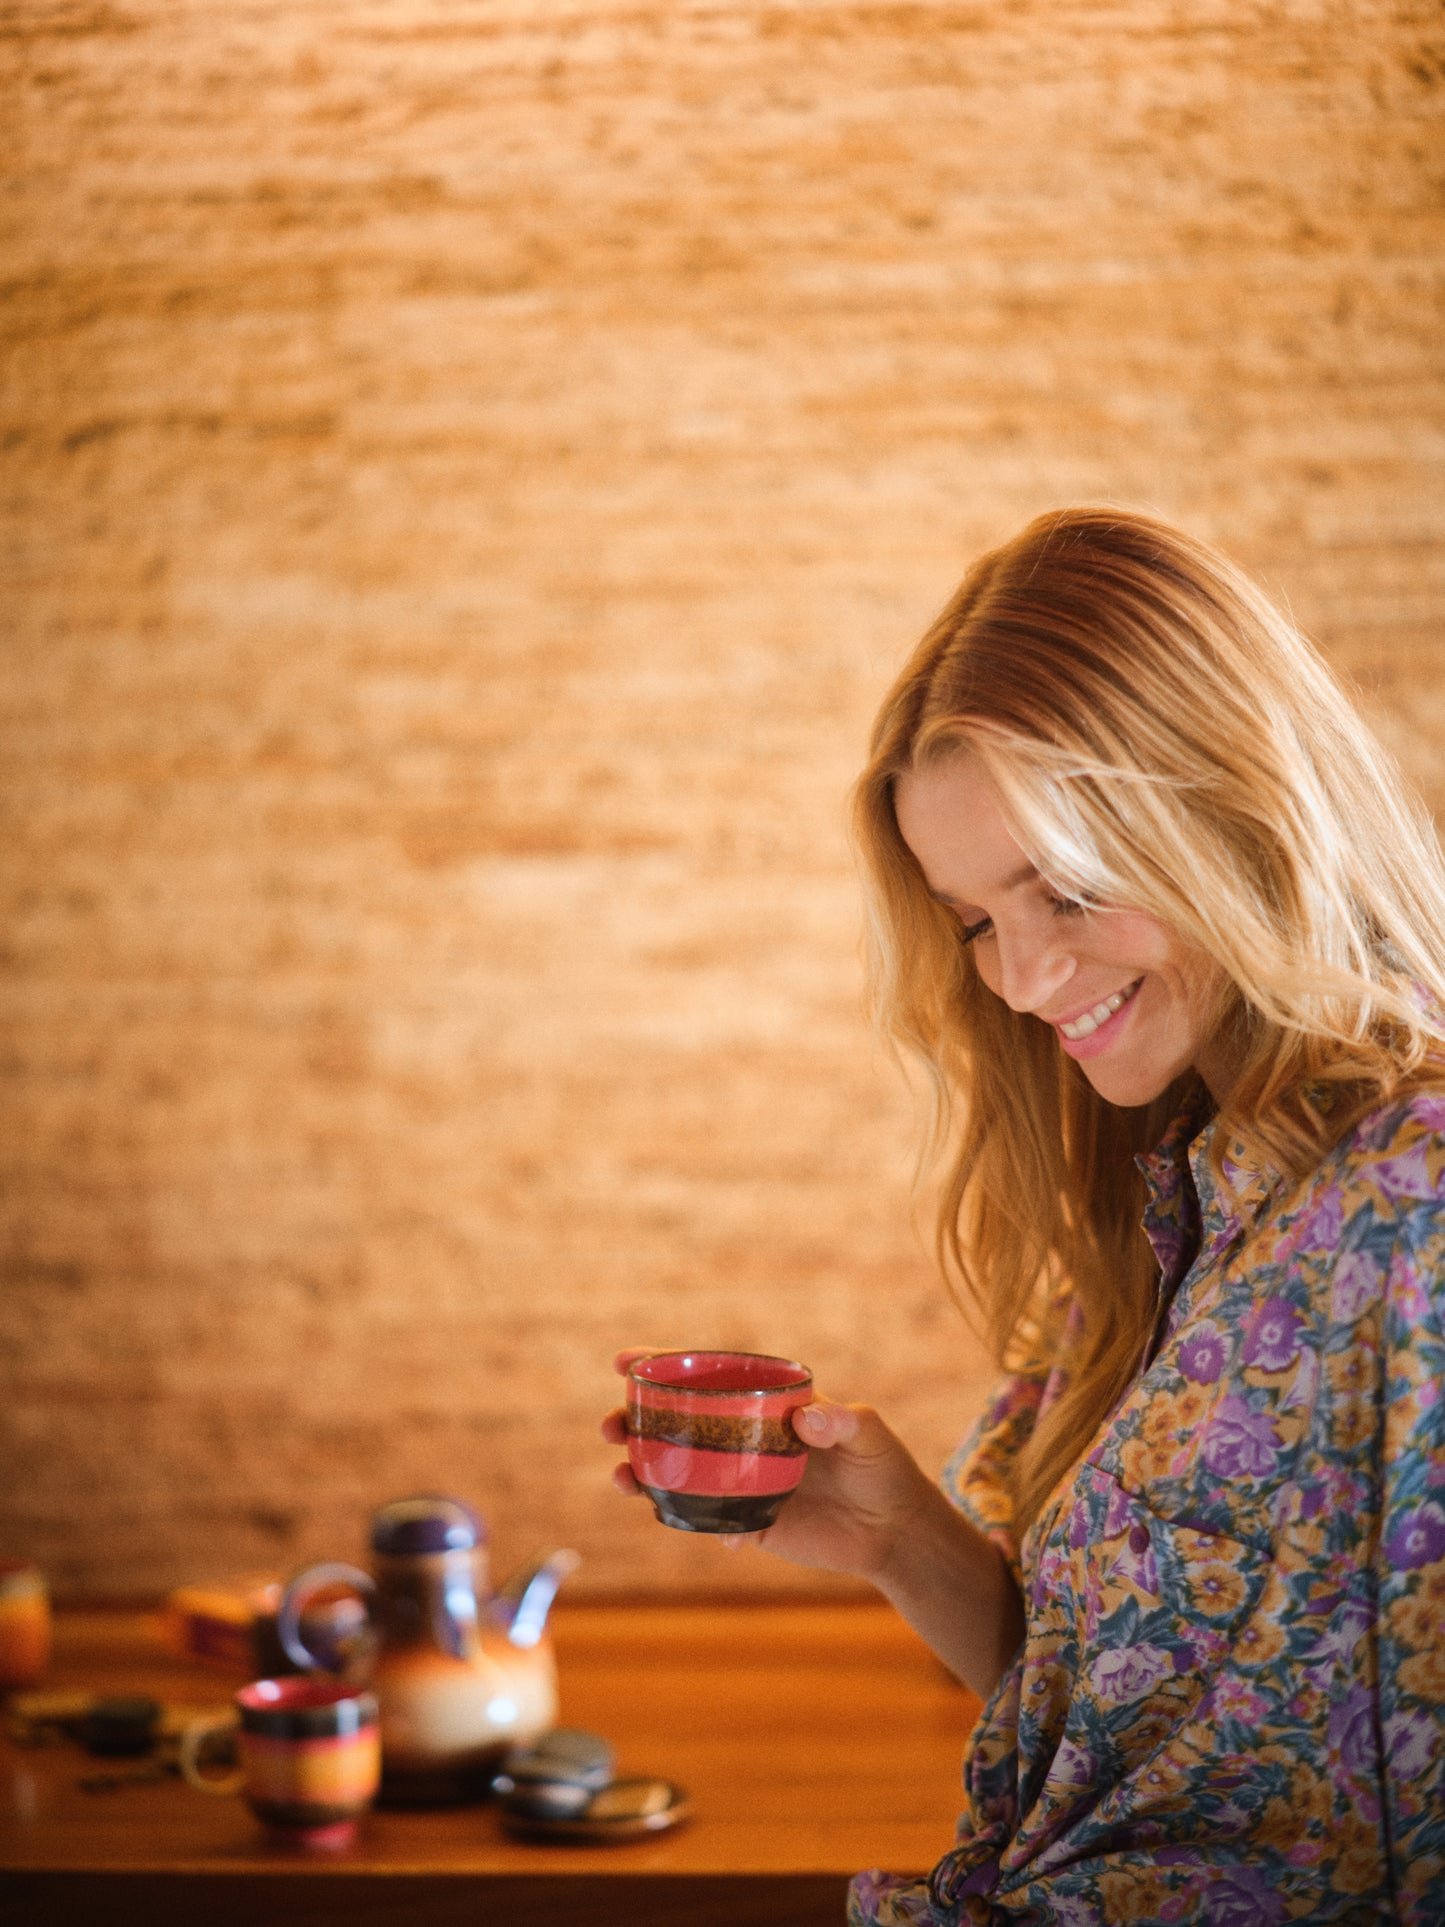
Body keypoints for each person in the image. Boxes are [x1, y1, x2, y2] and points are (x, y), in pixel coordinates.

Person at [603, 508, 1445, 1923]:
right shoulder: (1175, 1192)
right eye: (974, 919)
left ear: (1232, 808)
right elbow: (1124, 1756)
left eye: (1064, 887)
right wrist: (902, 1548)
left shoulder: (1414, 1203)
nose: (1017, 974)